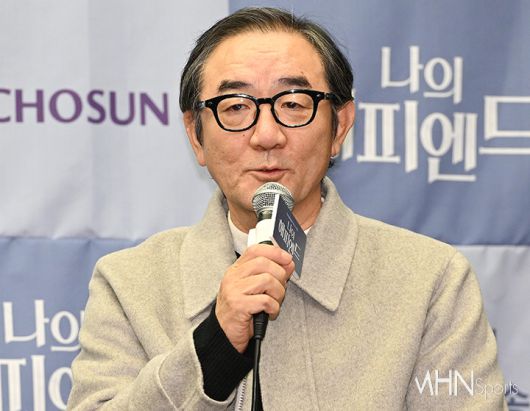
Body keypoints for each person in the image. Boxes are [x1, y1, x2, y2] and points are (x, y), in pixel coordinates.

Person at [67, 7, 507, 410]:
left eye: (293, 104)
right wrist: (215, 345)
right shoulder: (130, 284)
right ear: (195, 134)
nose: (266, 135)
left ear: (340, 126)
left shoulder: (432, 281)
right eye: (235, 107)